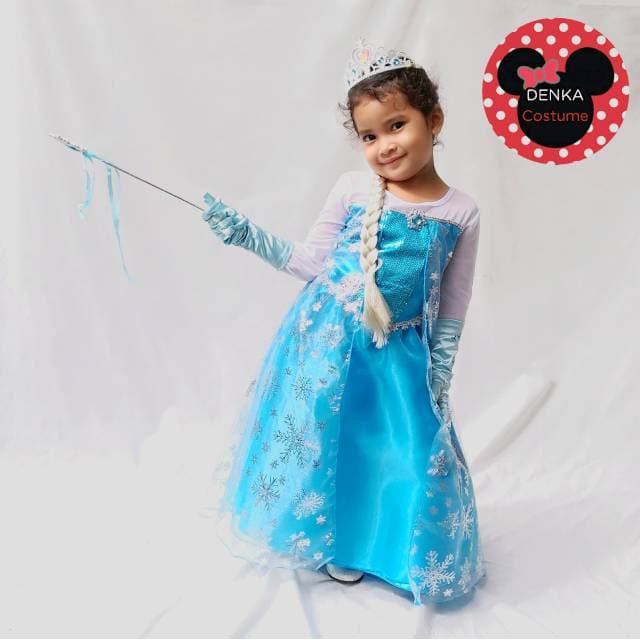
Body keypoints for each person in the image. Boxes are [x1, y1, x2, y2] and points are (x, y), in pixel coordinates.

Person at [202, 37, 485, 606]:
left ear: (434, 120)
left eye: (397, 126)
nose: (384, 145)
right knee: (328, 442)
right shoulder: (354, 189)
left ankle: (393, 548)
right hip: (326, 340)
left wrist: (441, 368)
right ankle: (338, 543)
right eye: (369, 136)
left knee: (400, 448)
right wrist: (248, 236)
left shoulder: (461, 212)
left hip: (398, 352)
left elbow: (454, 300)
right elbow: (310, 261)